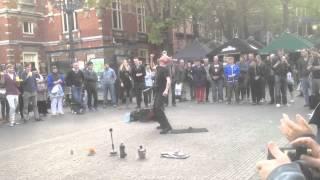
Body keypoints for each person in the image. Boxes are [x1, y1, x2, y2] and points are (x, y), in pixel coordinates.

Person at [154, 54, 172, 134]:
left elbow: (168, 80)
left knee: (158, 108)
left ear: (163, 61)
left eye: (162, 57)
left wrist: (166, 90)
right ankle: (162, 124)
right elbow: (153, 67)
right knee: (155, 108)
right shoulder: (159, 68)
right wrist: (151, 58)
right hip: (158, 91)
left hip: (162, 92)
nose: (160, 57)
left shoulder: (165, 70)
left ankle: (167, 126)